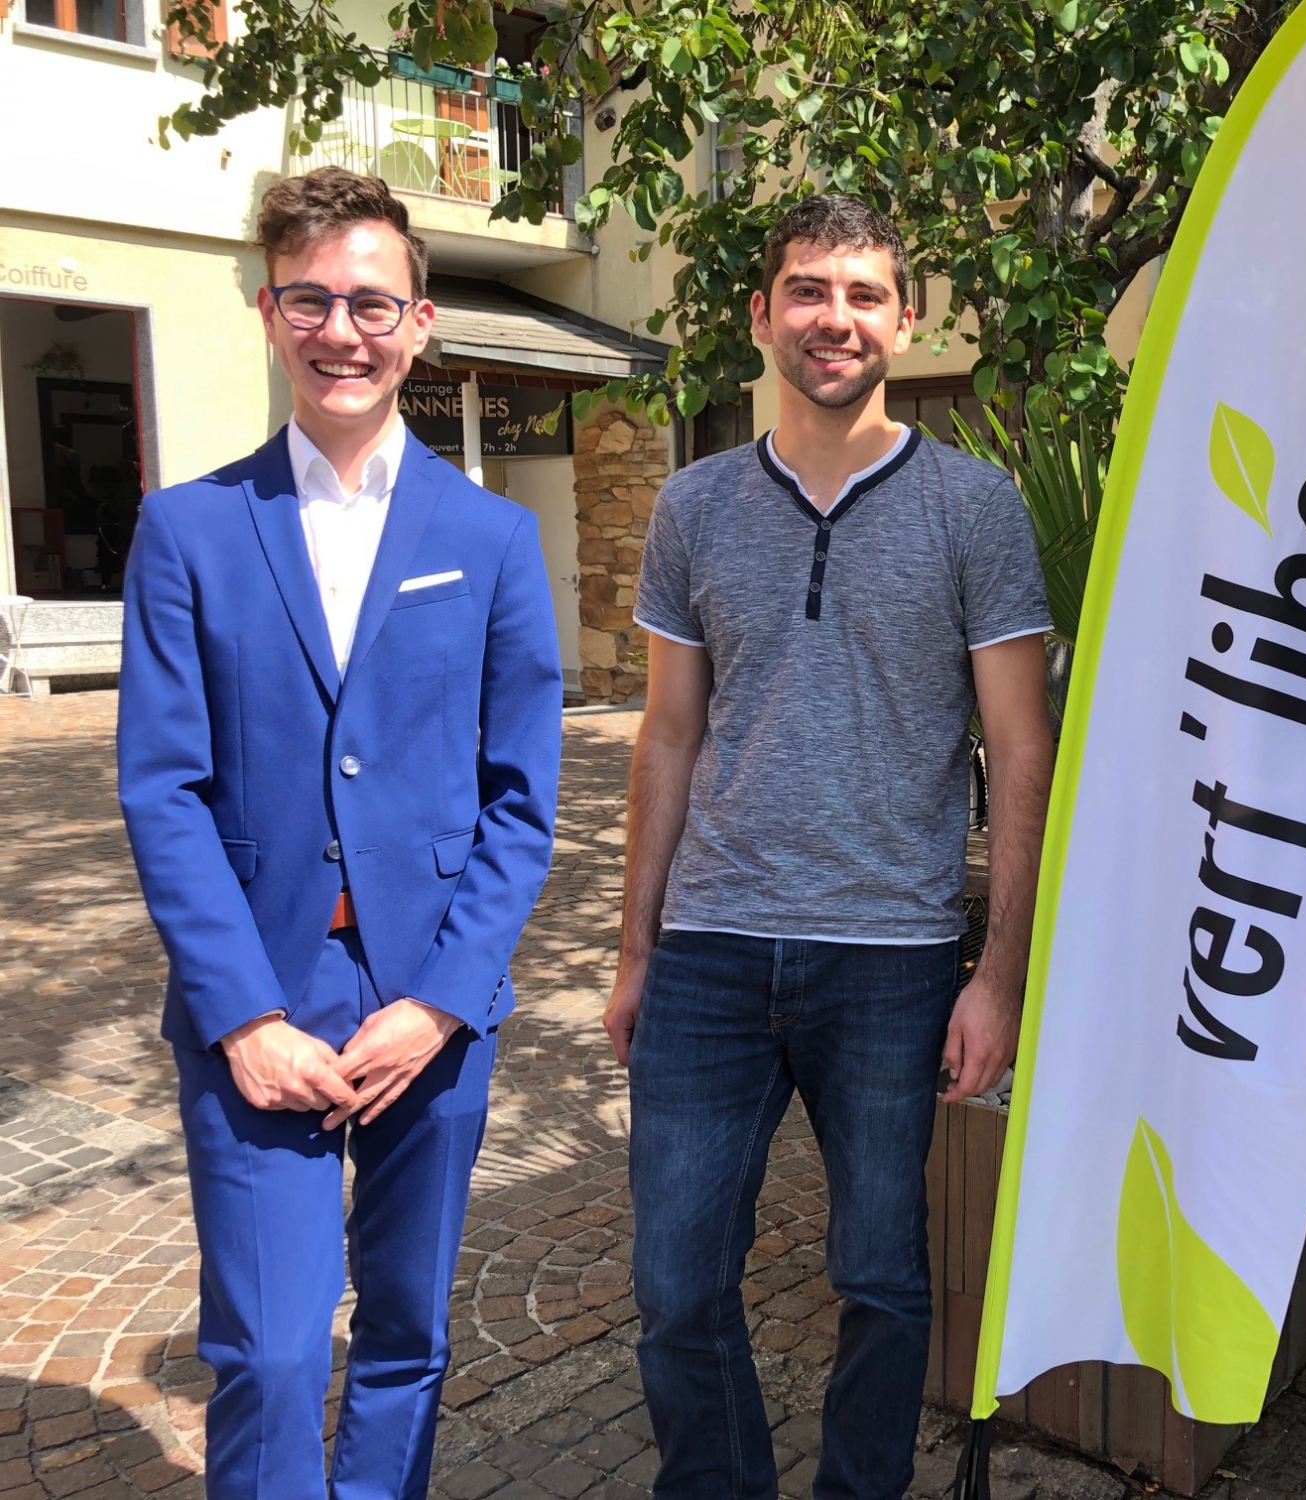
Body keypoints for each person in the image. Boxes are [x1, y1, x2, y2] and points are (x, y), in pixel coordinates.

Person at [117, 167, 564, 1500]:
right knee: (261, 1349)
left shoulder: (491, 540)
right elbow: (163, 789)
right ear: (270, 313)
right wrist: (245, 1017)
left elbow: (520, 798)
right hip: (260, 995)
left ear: (421, 322)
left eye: (372, 301)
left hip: (427, 1000)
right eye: (310, 297)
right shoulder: (188, 532)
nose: (342, 329)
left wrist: (440, 998)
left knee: (408, 1335)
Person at [604, 193, 1055, 1499]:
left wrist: (1000, 974)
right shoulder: (692, 507)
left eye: (863, 294)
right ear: (761, 315)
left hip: (893, 957)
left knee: (881, 1282)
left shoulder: (974, 507)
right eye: (808, 290)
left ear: (904, 321)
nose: (834, 317)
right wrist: (636, 951)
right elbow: (668, 737)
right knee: (677, 1286)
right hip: (710, 953)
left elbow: (1021, 749)